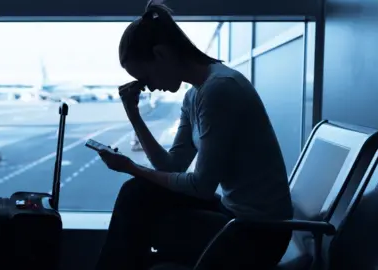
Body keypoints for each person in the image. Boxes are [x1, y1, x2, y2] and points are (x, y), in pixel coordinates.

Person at [95, 1, 294, 269]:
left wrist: (132, 167)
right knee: (137, 194)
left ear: (162, 55)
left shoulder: (220, 90)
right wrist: (134, 116)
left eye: (146, 77)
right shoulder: (195, 94)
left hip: (257, 233)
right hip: (233, 213)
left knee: (138, 206)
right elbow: (170, 166)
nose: (149, 87)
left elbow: (201, 188)